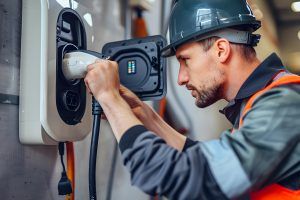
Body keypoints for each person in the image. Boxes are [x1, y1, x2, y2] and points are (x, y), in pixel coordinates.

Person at [84, 0, 300, 199]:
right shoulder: (258, 103)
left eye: (185, 60)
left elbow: (194, 179)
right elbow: (207, 163)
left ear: (221, 50)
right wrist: (146, 116)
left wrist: (109, 98)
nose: (181, 78)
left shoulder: (285, 103)